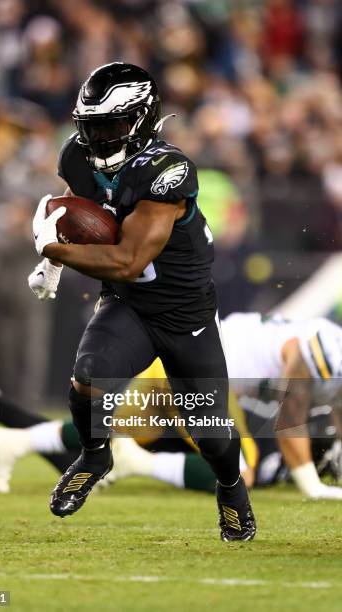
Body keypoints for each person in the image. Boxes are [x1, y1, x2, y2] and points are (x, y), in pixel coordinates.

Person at [27, 62, 256, 541]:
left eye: (109, 125)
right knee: (88, 376)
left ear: (141, 119)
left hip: (183, 312)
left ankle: (232, 489)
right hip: (128, 304)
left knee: (208, 429)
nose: (97, 137)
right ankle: (95, 454)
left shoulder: (167, 170)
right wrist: (54, 259)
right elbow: (78, 207)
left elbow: (129, 259)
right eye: (90, 126)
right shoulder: (79, 156)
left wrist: (52, 249)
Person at [0, 314, 342, 499]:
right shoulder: (326, 345)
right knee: (239, 469)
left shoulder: (327, 348)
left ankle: (14, 440)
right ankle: (138, 464)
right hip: (198, 373)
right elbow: (293, 409)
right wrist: (311, 485)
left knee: (112, 429)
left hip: (180, 360)